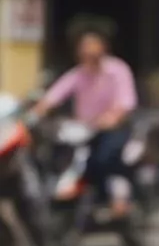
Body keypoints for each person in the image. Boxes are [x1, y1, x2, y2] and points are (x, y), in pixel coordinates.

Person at [32, 18, 138, 216]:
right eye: (83, 46)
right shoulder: (78, 74)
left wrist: (112, 117)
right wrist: (37, 112)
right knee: (60, 157)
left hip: (114, 129)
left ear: (103, 47)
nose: (87, 50)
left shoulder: (117, 70)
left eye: (92, 44)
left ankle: (120, 198)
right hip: (85, 130)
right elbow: (54, 95)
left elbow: (126, 102)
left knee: (105, 158)